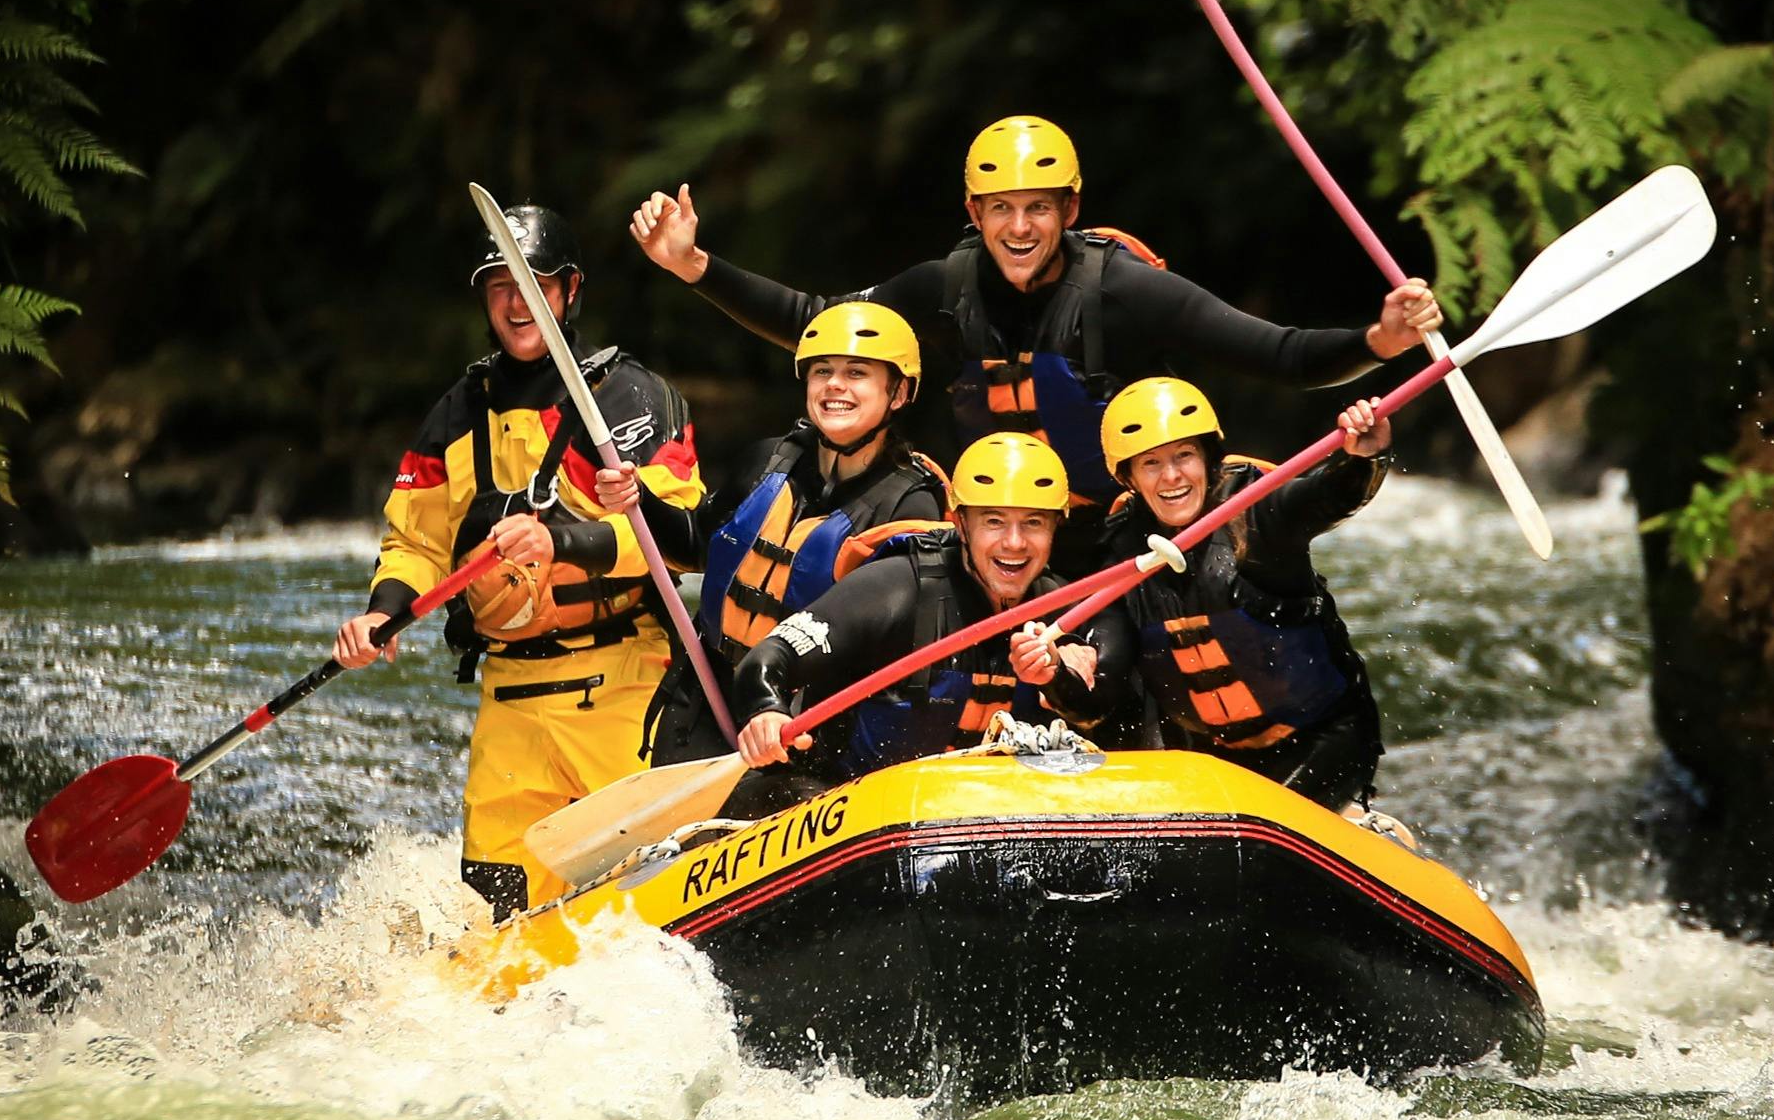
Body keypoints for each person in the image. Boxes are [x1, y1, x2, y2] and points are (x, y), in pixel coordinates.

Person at [628, 115, 1442, 565]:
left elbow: (1282, 356)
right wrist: (695, 265)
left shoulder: (1123, 291)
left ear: (1071, 210)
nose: (1021, 228)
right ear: (975, 214)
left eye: (1040, 207)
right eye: (1002, 209)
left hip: (1126, 534)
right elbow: (821, 321)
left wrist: (1379, 337)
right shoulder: (940, 292)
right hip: (1002, 544)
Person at [333, 203, 704, 920]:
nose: (514, 300)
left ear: (569, 290)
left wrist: (561, 541)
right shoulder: (454, 414)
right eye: (498, 284)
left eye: (532, 282)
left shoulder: (630, 397)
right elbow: (415, 542)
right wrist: (381, 614)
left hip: (624, 683)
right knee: (496, 922)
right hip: (510, 696)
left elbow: (680, 539)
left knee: (640, 909)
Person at [592, 299, 949, 766]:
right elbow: (698, 548)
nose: (835, 385)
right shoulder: (766, 462)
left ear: (898, 393)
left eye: (857, 373)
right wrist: (640, 499)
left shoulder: (911, 506)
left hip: (810, 725)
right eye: (823, 371)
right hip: (710, 696)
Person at [727, 432, 1132, 809]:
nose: (1014, 543)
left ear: (1054, 529)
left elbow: (1094, 709)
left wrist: (1056, 678)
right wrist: (766, 711)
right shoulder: (897, 587)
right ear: (961, 524)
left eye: (1033, 523)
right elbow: (769, 657)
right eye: (994, 521)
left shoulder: (1059, 612)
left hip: (972, 815)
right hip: (846, 806)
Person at [1095, 376, 1392, 812]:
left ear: (1207, 459)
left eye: (1184, 456)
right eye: (1151, 463)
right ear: (1130, 479)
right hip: (1213, 754)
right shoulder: (1122, 552)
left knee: (1263, 831)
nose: (1172, 476)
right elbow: (1107, 669)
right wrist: (1066, 673)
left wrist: (1365, 459)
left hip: (1321, 742)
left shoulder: (1257, 513)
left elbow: (1325, 495)